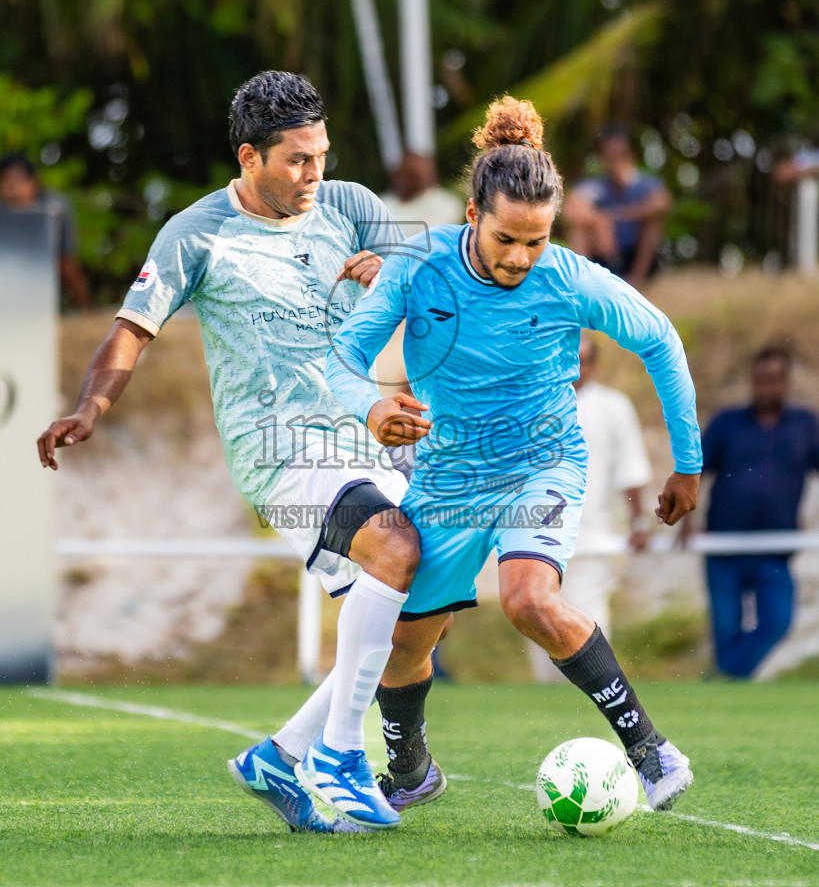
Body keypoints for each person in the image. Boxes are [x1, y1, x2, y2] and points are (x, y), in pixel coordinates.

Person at [36, 71, 446, 833]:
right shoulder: (196, 234)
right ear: (250, 158)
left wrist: (399, 274)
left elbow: (440, 294)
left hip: (365, 440)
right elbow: (131, 330)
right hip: (280, 457)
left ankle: (280, 757)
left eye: (321, 154)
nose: (314, 172)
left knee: (426, 609)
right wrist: (91, 406)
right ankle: (339, 756)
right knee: (395, 551)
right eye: (297, 160)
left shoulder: (351, 206)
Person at [326, 95, 702, 812]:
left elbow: (660, 340)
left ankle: (652, 752)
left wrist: (687, 462)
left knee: (530, 599)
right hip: (449, 475)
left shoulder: (569, 276)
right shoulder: (418, 266)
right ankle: (410, 769)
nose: (522, 257)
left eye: (537, 240)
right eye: (506, 239)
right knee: (405, 643)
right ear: (473, 214)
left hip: (542, 462)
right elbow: (343, 356)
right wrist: (370, 407)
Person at [684, 347, 819, 678]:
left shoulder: (804, 425)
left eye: (773, 379)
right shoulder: (727, 423)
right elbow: (694, 470)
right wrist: (688, 517)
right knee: (725, 629)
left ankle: (722, 678)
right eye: (760, 379)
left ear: (785, 382)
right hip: (724, 546)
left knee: (778, 620)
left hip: (776, 547)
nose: (766, 387)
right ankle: (725, 688)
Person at [528, 330, 653, 682]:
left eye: (581, 360)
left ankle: (600, 697)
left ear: (594, 364)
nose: (574, 367)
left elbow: (631, 470)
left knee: (590, 623)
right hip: (534, 540)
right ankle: (545, 704)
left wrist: (639, 523)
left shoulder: (613, 407)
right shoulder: (533, 403)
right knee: (538, 624)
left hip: (591, 538)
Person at [563, 127, 671, 288]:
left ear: (631, 154)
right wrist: (600, 221)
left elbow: (662, 204)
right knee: (579, 228)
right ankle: (583, 283)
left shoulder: (646, 183)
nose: (614, 161)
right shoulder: (596, 184)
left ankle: (637, 283)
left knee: (653, 224)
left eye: (619, 154)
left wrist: (621, 214)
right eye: (609, 155)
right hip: (602, 253)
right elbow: (570, 210)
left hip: (633, 253)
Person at [0, 152, 92, 309]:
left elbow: (66, 261)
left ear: (33, 182)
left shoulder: (54, 207)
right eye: (5, 182)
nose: (11, 190)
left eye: (16, 181)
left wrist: (86, 309)